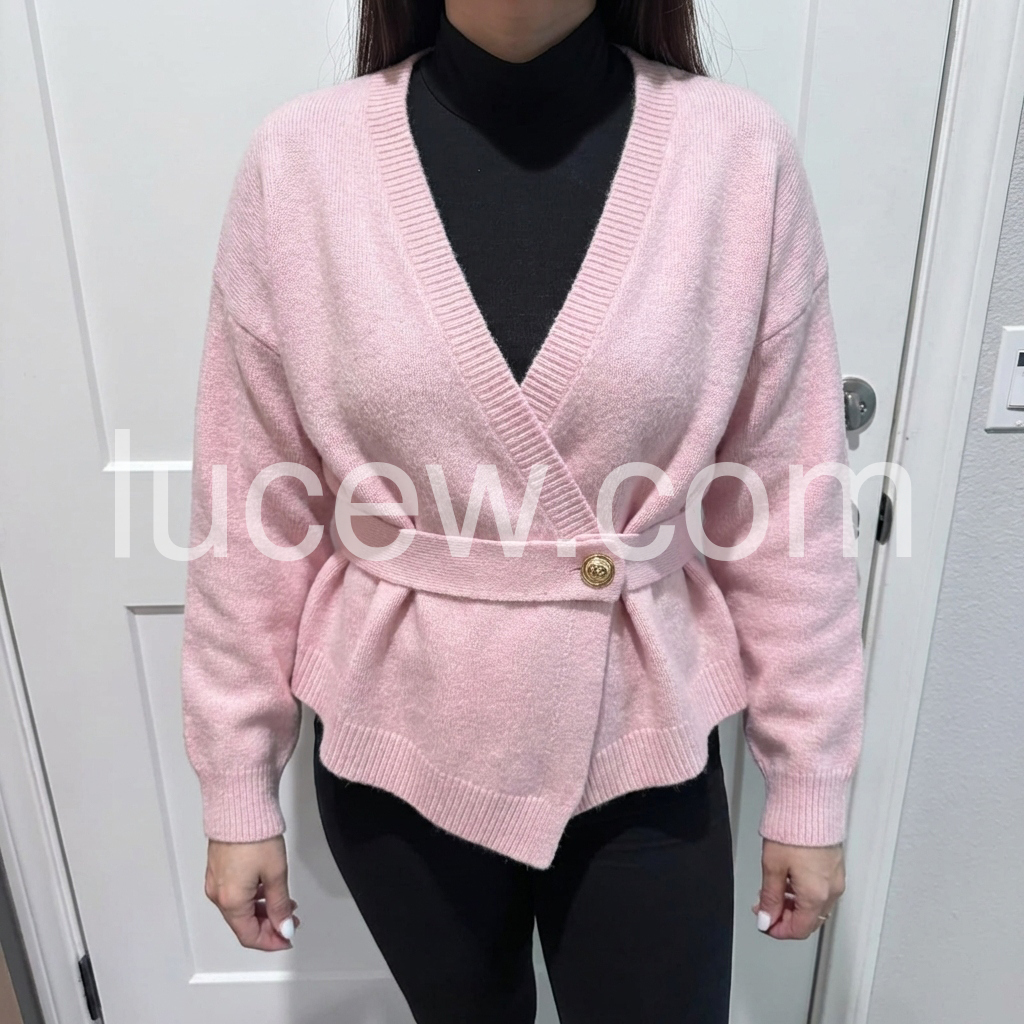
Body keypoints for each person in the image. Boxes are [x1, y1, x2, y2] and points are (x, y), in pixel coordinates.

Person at [182, 0, 864, 1021]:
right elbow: (250, 510)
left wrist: (808, 783)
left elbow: (787, 504)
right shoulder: (300, 163)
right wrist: (237, 786)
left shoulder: (736, 155)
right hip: (398, 743)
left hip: (642, 740)